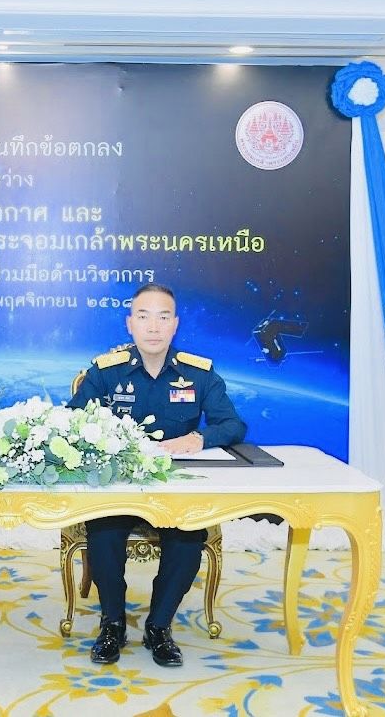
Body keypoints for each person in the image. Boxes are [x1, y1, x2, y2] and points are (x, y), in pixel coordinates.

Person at [68, 283, 247, 667]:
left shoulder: (198, 374)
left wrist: (199, 439)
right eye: (144, 317)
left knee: (189, 537)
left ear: (175, 324)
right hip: (119, 486)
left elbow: (233, 425)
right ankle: (112, 624)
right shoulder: (106, 372)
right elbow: (71, 421)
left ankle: (159, 626)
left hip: (172, 490)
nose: (153, 327)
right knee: (103, 532)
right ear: (130, 323)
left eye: (163, 317)